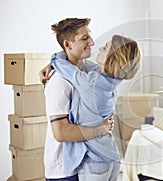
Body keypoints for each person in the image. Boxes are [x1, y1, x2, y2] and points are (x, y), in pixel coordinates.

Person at [49, 34, 141, 181]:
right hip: (111, 157)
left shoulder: (90, 83)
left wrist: (53, 61)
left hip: (95, 161)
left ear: (112, 58)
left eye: (105, 48)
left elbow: (61, 64)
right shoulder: (112, 81)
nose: (99, 48)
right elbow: (89, 67)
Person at [41, 18, 114, 181]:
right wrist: (101, 129)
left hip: (83, 162)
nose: (92, 42)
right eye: (84, 38)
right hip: (64, 170)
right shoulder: (59, 81)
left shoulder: (87, 69)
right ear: (68, 45)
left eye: (90, 36)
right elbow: (61, 132)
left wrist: (54, 61)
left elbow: (113, 71)